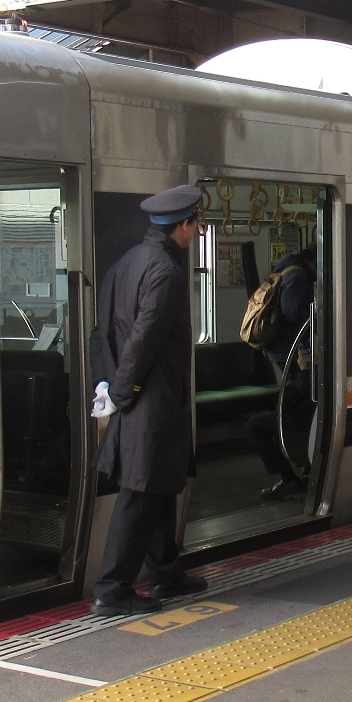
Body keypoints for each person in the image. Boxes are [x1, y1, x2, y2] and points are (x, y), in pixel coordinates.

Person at [87, 185, 209, 615]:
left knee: (158, 488)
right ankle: (111, 589)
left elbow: (101, 332)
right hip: (149, 401)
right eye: (195, 224)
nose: (196, 231)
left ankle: (166, 574)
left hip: (133, 394)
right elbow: (146, 339)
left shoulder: (126, 263)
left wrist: (104, 385)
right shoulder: (165, 272)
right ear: (183, 225)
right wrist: (121, 394)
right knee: (140, 494)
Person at [246, 238, 316, 500]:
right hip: (294, 352)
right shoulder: (299, 278)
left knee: (295, 401)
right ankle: (305, 464)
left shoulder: (283, 269)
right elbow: (296, 315)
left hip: (280, 350)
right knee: (301, 399)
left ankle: (303, 468)